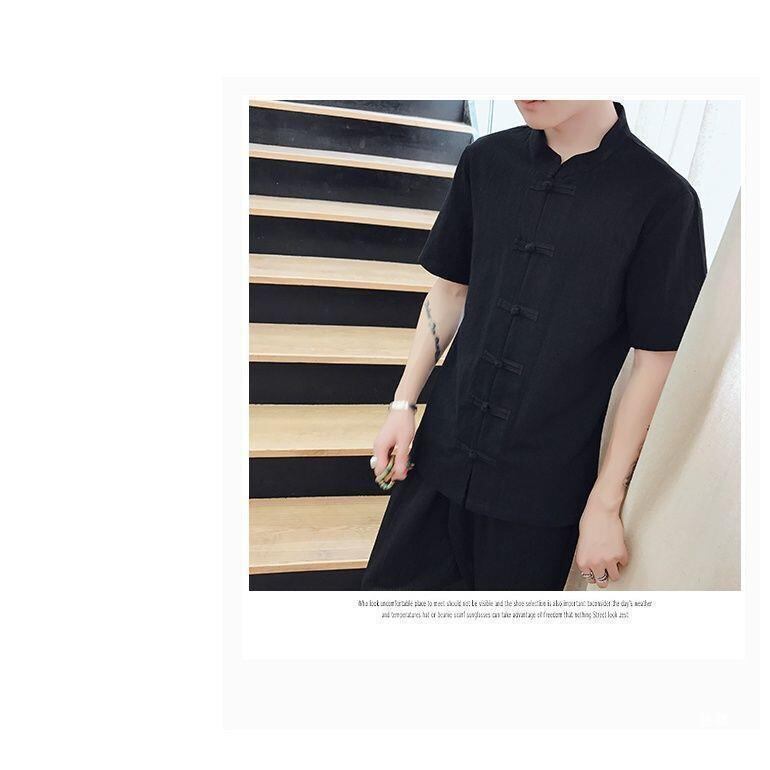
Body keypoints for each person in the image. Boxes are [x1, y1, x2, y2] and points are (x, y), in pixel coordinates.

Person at [360, 100, 707, 591]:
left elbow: (657, 359)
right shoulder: (485, 160)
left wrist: (606, 500)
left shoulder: (663, 199)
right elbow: (450, 289)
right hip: (438, 458)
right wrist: (402, 404)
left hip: (541, 496)